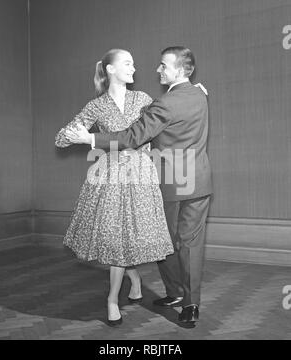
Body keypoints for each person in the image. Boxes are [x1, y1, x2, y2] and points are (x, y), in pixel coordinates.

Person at [67, 46, 212, 327]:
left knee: (166, 242)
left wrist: (90, 140)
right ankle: (188, 303)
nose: (157, 70)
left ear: (179, 71)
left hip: (170, 183)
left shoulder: (163, 104)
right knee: (189, 245)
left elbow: (132, 136)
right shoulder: (200, 94)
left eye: (163, 66)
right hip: (200, 181)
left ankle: (173, 294)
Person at [55, 49, 174, 326]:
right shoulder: (96, 106)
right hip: (109, 178)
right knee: (117, 238)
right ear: (110, 69)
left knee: (127, 239)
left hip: (140, 176)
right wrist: (78, 137)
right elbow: (61, 138)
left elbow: (168, 114)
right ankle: (112, 299)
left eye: (134, 63)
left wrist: (192, 91)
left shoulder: (142, 99)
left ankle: (131, 279)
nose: (134, 67)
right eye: (128, 63)